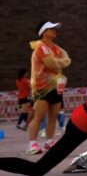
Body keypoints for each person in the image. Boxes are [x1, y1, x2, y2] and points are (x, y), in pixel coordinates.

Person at [27, 22, 71, 154]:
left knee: (53, 115)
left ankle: (49, 141)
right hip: (42, 87)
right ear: (44, 32)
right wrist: (59, 63)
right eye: (51, 29)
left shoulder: (56, 48)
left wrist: (59, 63)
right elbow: (52, 64)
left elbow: (68, 60)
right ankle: (32, 144)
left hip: (56, 86)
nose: (55, 31)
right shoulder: (41, 47)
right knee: (39, 116)